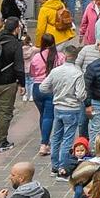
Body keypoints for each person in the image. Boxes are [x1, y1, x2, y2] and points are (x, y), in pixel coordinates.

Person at [41, 42, 88, 178]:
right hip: (72, 108)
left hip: (58, 107)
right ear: (76, 57)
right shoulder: (78, 73)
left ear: (65, 56)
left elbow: (43, 87)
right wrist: (82, 96)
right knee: (68, 138)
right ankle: (63, 167)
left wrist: (55, 92)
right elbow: (80, 94)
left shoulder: (56, 71)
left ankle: (54, 167)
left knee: (56, 137)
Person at [0, 10, 25, 151]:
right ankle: (2, 141)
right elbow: (19, 67)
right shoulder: (15, 44)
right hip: (7, 83)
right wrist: (22, 84)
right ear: (16, 29)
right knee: (5, 112)